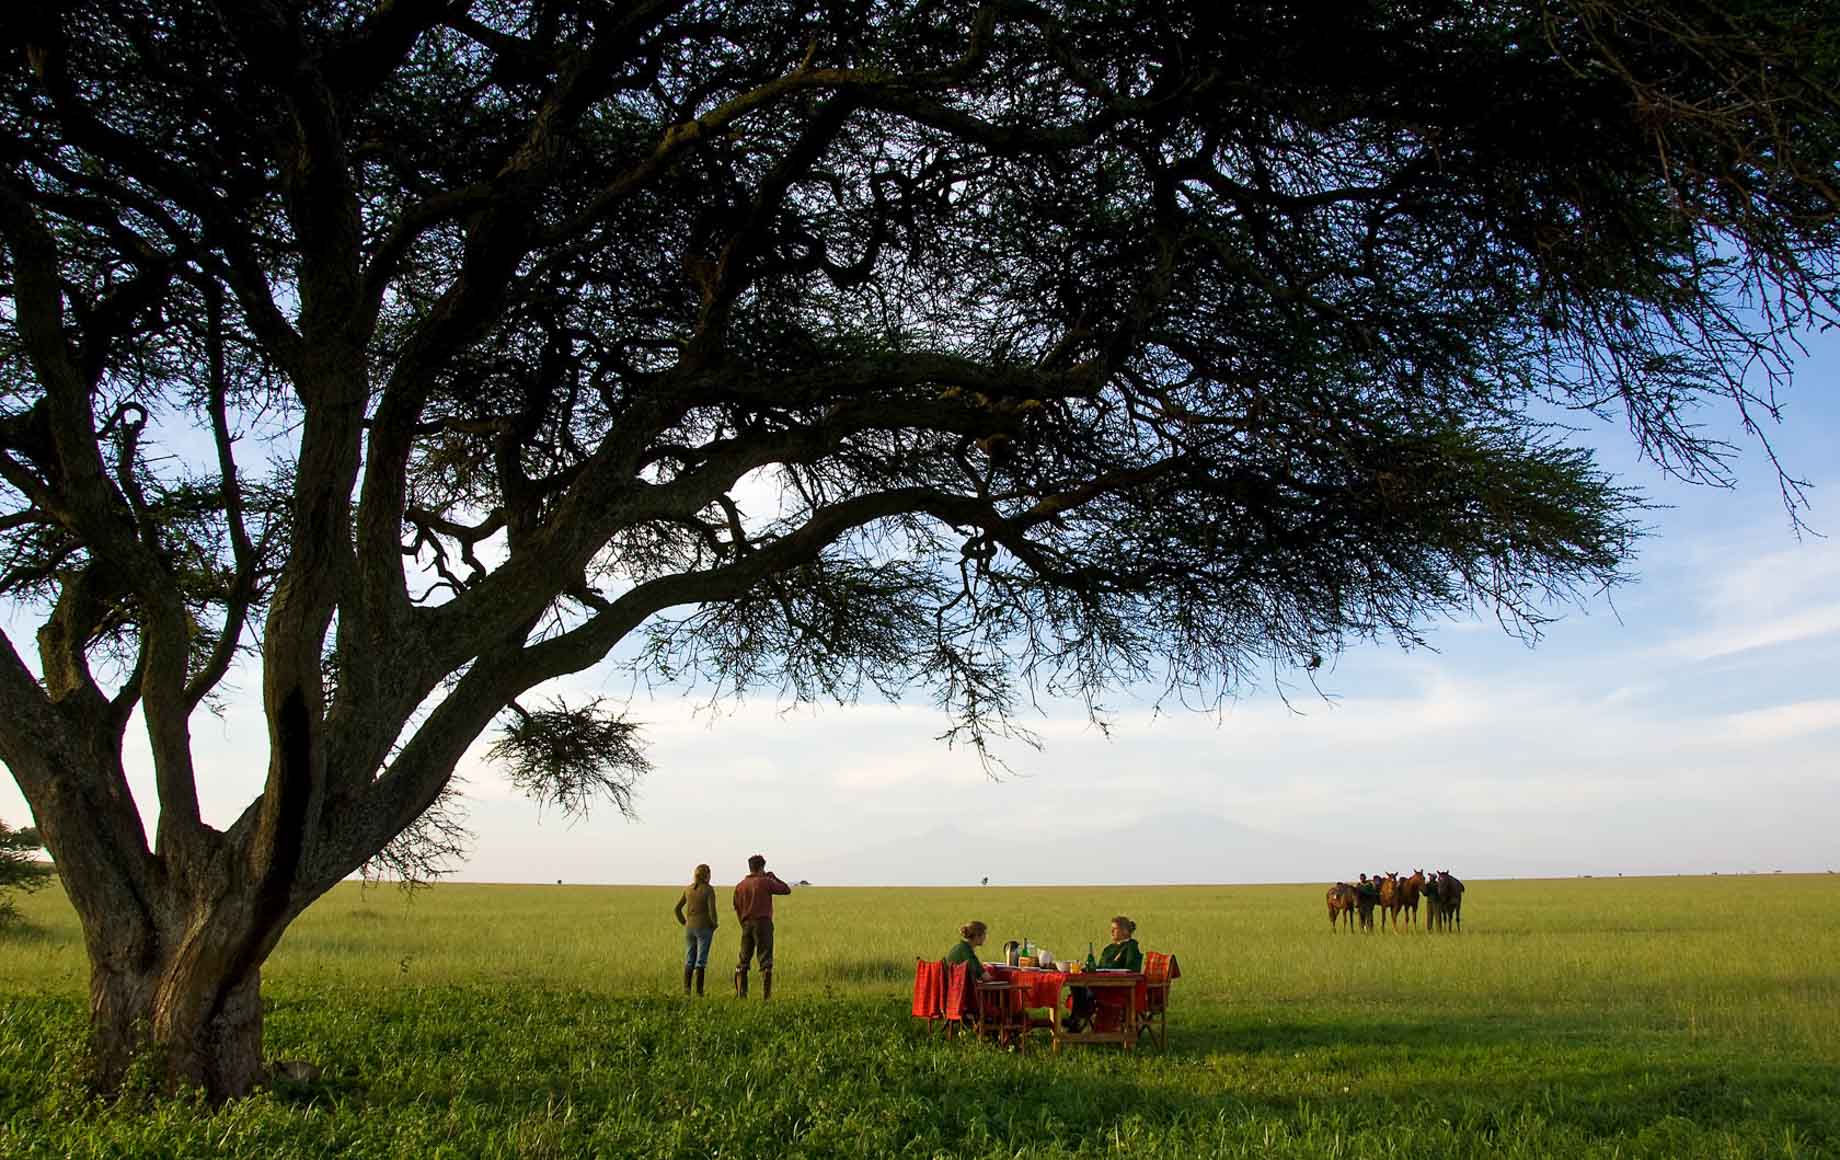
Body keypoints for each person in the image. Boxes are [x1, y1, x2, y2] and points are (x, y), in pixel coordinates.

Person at [1066, 915, 1143, 1032]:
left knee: (1082, 991)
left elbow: (1132, 969)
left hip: (1117, 986)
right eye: (1111, 929)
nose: (1111, 932)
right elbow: (1099, 967)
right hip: (1100, 982)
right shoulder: (1109, 949)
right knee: (1075, 984)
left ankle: (1076, 1021)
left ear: (1125, 931)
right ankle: (1076, 1020)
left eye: (1115, 929)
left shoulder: (1131, 947)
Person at [732, 853, 792, 999]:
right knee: (765, 960)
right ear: (761, 867)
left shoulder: (740, 886)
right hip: (763, 923)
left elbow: (737, 907)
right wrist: (773, 877)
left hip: (746, 924)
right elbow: (786, 889)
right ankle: (766, 997)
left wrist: (743, 923)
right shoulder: (765, 882)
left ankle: (742, 995)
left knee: (743, 960)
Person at [673, 863, 718, 996]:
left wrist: (684, 922)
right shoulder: (708, 890)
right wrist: (714, 924)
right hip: (704, 928)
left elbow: (677, 909)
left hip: (689, 928)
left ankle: (687, 990)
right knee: (701, 960)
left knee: (689, 959)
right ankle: (699, 992)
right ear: (707, 875)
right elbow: (712, 911)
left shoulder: (688, 889)